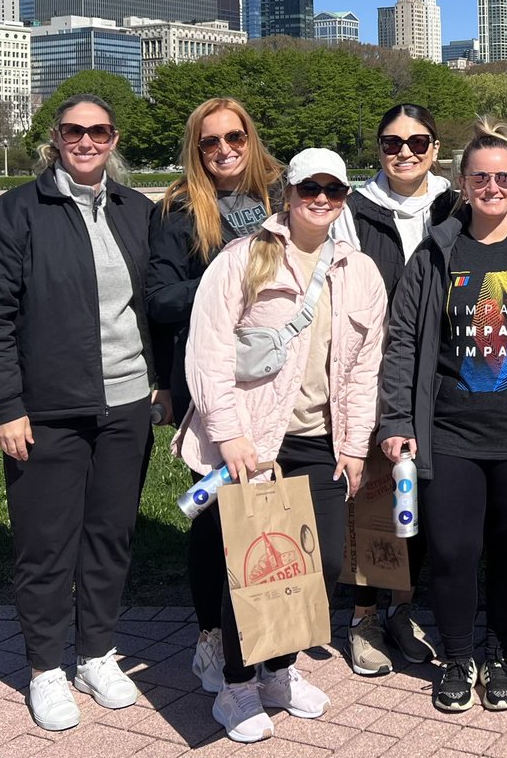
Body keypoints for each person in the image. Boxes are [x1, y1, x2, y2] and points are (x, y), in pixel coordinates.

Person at [0, 94, 159, 733]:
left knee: (109, 537)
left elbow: (156, 302)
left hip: (126, 403)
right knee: (46, 545)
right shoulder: (15, 214)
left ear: (113, 138)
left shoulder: (136, 211)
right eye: (75, 130)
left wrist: (162, 380)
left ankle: (95, 652)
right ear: (57, 137)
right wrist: (7, 405)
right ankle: (46, 666)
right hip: (47, 409)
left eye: (99, 131)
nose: (87, 141)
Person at [177, 149, 388, 744]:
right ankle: (238, 687)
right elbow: (209, 350)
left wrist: (353, 445)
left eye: (333, 190)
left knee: (315, 565)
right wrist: (230, 434)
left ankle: (280, 670)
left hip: (321, 441)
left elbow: (361, 369)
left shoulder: (359, 271)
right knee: (251, 568)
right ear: (287, 193)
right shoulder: (245, 258)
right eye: (308, 188)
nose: (320, 199)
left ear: (345, 197)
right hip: (255, 442)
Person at [377, 119, 507, 715]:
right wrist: (397, 421)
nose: (492, 187)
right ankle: (458, 654)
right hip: (448, 434)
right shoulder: (437, 252)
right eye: (480, 177)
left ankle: (500, 652)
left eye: (503, 177)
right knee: (451, 551)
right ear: (462, 183)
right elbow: (403, 344)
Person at [145, 97, 283, 694]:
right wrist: (225, 279)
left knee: (272, 510)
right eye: (210, 141)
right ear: (195, 150)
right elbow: (159, 299)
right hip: (211, 377)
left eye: (235, 136)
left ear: (251, 138)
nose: (224, 149)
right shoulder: (178, 209)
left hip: (280, 378)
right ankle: (210, 637)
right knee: (216, 516)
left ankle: (275, 639)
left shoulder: (282, 196)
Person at [340, 103, 457, 676]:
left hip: (439, 374)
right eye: (391, 143)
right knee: (370, 493)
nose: (404, 152)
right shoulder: (353, 209)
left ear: (435, 147)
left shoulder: (453, 203)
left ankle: (404, 608)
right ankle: (363, 616)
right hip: (368, 368)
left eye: (417, 142)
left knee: (420, 492)